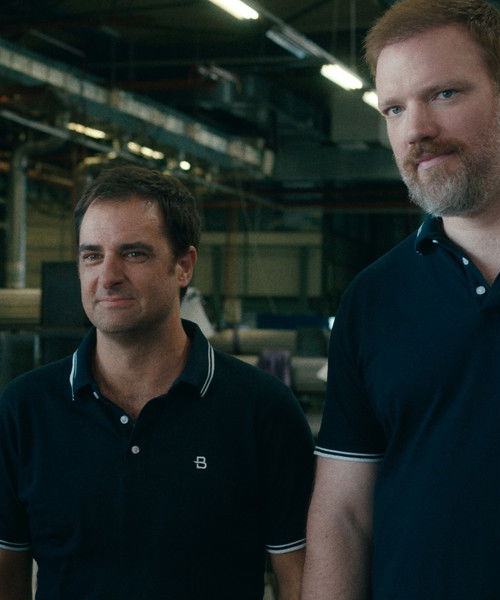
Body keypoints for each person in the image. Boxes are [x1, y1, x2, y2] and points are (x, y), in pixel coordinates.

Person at [302, 1, 500, 598]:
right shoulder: (374, 298)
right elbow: (344, 518)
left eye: (443, 94)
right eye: (393, 108)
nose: (416, 130)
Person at [0, 165, 315, 600]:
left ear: (184, 265)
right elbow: (6, 575)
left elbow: (298, 579)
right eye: (92, 256)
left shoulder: (262, 409)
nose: (108, 276)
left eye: (133, 254)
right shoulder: (25, 409)